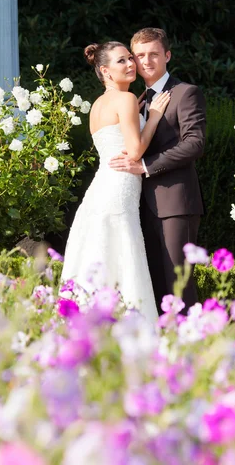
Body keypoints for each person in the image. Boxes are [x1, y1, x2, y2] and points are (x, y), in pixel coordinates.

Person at [61, 41, 171, 321]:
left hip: (101, 187)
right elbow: (134, 151)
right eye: (122, 61)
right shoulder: (126, 99)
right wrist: (155, 117)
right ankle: (129, 324)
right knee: (121, 251)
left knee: (98, 252)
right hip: (119, 186)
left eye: (129, 58)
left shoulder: (98, 104)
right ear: (105, 70)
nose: (131, 64)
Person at [108, 28, 206, 314]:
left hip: (175, 203)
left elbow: (195, 144)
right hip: (139, 205)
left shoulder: (185, 93)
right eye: (139, 55)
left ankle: (195, 350)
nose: (146, 61)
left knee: (179, 285)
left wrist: (146, 166)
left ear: (167, 55)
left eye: (153, 54)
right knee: (152, 287)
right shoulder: (137, 101)